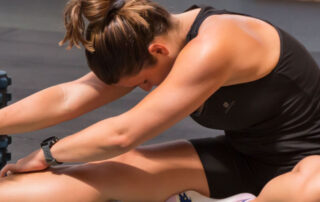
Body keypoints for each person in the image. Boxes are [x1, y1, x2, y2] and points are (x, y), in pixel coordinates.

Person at [0, 0, 319, 201]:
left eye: (144, 82)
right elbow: (71, 96)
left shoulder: (217, 44)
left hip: (312, 161)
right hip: (243, 157)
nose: (144, 89)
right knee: (116, 169)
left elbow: (122, 134)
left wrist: (48, 154)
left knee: (309, 189)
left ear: (158, 51)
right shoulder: (144, 43)